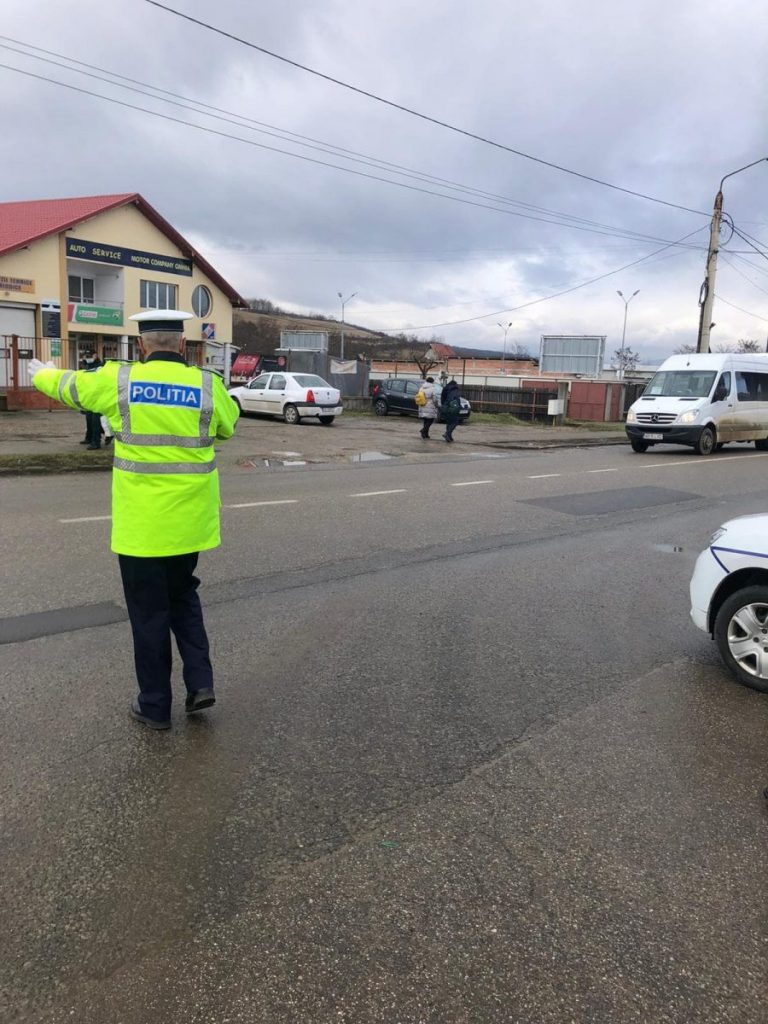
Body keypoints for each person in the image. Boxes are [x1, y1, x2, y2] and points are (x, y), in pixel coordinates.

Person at [29, 310, 240, 730]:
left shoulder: (120, 380)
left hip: (141, 530)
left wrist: (43, 374)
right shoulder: (207, 384)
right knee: (183, 598)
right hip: (189, 525)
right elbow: (227, 428)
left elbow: (71, 387)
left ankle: (155, 706)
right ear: (183, 345)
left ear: (141, 345)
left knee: (149, 615)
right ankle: (200, 683)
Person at [440, 378, 462, 443]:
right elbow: (456, 399)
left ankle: (449, 437)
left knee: (449, 422)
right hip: (452, 408)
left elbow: (442, 398)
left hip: (445, 407)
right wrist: (458, 406)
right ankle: (447, 433)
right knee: (455, 422)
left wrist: (444, 405)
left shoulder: (445, 389)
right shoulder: (455, 390)